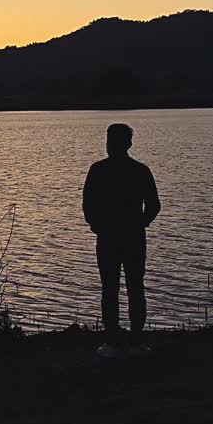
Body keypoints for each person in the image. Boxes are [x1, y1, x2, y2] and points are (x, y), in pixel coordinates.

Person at [82, 123, 160, 356]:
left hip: (110, 237)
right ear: (129, 143)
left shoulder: (98, 170)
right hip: (130, 237)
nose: (110, 145)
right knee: (134, 288)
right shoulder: (140, 170)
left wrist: (97, 226)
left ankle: (115, 342)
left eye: (111, 141)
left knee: (112, 289)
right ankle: (134, 341)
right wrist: (141, 223)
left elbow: (88, 205)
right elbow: (154, 205)